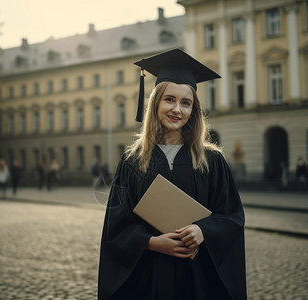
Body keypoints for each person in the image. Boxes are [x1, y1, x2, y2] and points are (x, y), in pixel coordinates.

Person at [98, 49, 246, 300]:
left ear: (194, 109)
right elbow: (116, 225)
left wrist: (204, 231)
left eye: (185, 103)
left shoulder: (212, 161)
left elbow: (232, 217)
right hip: (148, 277)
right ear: (155, 103)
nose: (177, 109)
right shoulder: (132, 162)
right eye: (169, 99)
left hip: (198, 278)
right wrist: (150, 243)